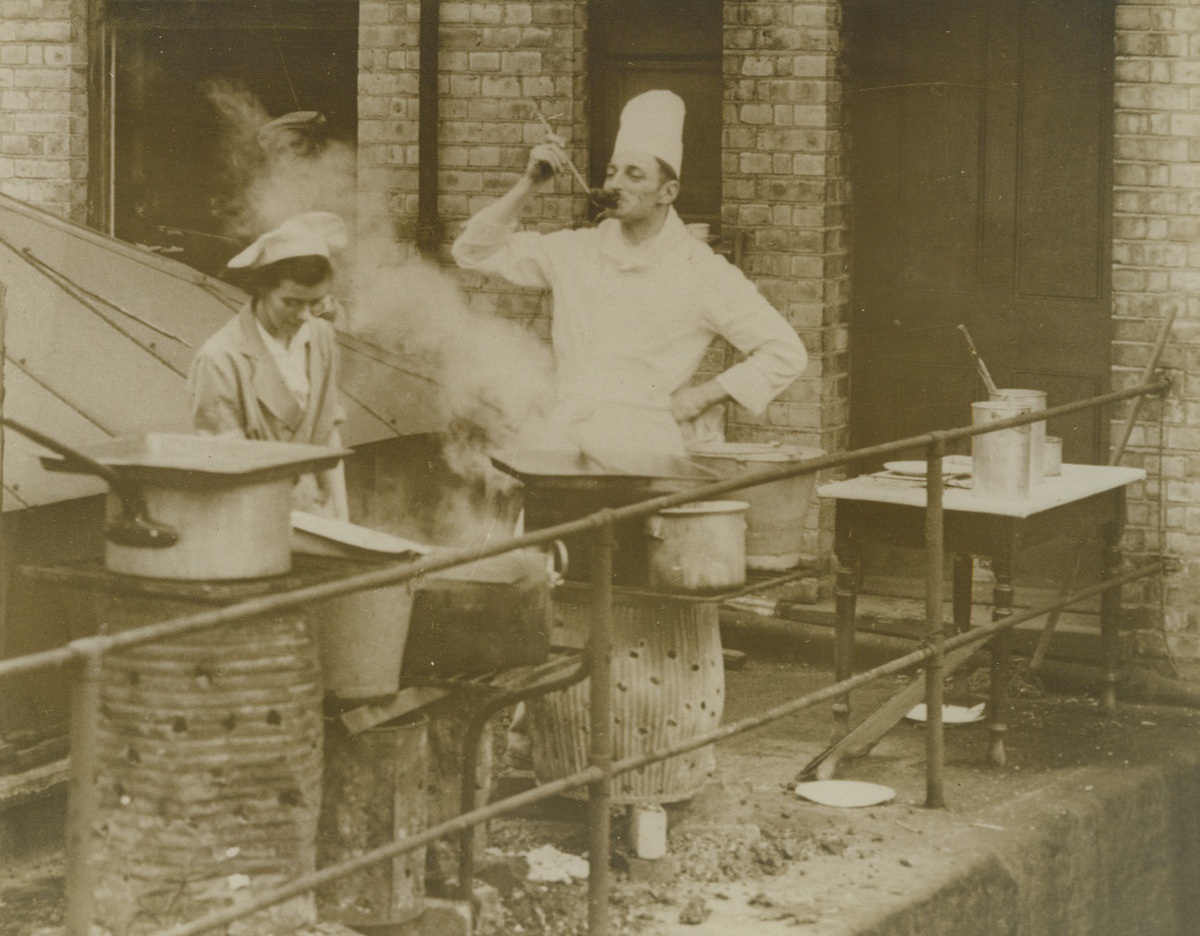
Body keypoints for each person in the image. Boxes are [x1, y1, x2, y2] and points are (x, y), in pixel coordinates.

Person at [451, 89, 807, 456]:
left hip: (645, 450)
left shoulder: (703, 272)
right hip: (564, 444)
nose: (615, 184)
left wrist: (701, 397)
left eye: (634, 176)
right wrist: (530, 184)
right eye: (612, 173)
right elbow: (472, 252)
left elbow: (784, 352)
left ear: (667, 192)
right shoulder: (575, 251)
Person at [188, 212, 350, 519]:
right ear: (262, 288)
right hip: (252, 518)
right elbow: (225, 467)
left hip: (317, 513)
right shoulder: (221, 359)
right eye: (291, 302)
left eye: (315, 302)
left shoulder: (322, 338)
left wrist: (343, 521)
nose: (304, 316)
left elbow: (328, 434)